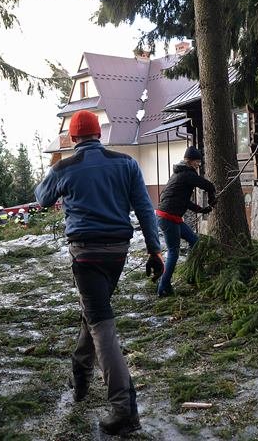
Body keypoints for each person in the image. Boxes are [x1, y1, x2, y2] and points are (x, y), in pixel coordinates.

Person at [35, 110, 163, 436]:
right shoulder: (127, 164)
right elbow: (145, 208)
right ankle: (80, 379)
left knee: (101, 326)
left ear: (73, 138)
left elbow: (42, 198)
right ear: (99, 134)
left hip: (86, 255)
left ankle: (124, 409)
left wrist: (56, 171)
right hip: (117, 255)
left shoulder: (65, 167)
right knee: (92, 317)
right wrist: (155, 250)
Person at [155, 146, 217, 297]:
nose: (198, 165)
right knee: (173, 252)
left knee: (194, 241)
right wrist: (212, 199)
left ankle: (189, 272)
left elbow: (184, 201)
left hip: (171, 218)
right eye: (197, 162)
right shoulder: (186, 174)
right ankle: (163, 287)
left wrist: (200, 209)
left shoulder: (179, 174)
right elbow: (209, 185)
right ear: (189, 161)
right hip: (168, 218)